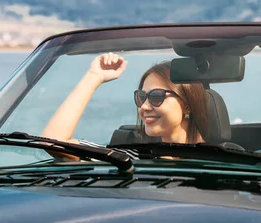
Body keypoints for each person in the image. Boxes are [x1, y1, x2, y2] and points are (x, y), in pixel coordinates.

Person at [42, 52, 208, 157]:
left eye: (156, 96)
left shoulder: (223, 161)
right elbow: (53, 142)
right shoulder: (131, 158)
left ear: (186, 104)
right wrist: (94, 76)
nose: (144, 107)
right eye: (141, 97)